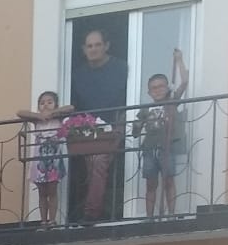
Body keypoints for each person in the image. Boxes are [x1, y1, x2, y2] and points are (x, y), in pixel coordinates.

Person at [69, 28, 130, 221]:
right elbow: (74, 105)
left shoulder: (122, 68)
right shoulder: (78, 74)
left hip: (115, 124)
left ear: (106, 46)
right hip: (88, 127)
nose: (93, 49)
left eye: (97, 45)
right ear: (83, 49)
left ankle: (91, 213)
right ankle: (80, 209)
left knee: (98, 162)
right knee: (83, 166)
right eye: (89, 46)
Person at [134, 49, 190, 217]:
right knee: (151, 184)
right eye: (153, 88)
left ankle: (171, 214)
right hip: (149, 149)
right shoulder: (145, 109)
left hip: (167, 147)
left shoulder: (171, 102)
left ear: (167, 88)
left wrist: (179, 60)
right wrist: (134, 127)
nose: (157, 90)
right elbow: (136, 130)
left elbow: (184, 82)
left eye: (161, 86)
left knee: (168, 181)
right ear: (149, 92)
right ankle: (149, 216)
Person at [16, 90, 75, 226]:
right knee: (42, 192)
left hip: (53, 160)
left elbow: (71, 108)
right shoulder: (37, 121)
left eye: (49, 102)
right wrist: (39, 115)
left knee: (52, 190)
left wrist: (52, 113)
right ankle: (43, 221)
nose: (46, 105)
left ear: (55, 104)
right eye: (42, 103)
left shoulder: (58, 119)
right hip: (39, 161)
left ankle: (52, 220)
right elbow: (19, 112)